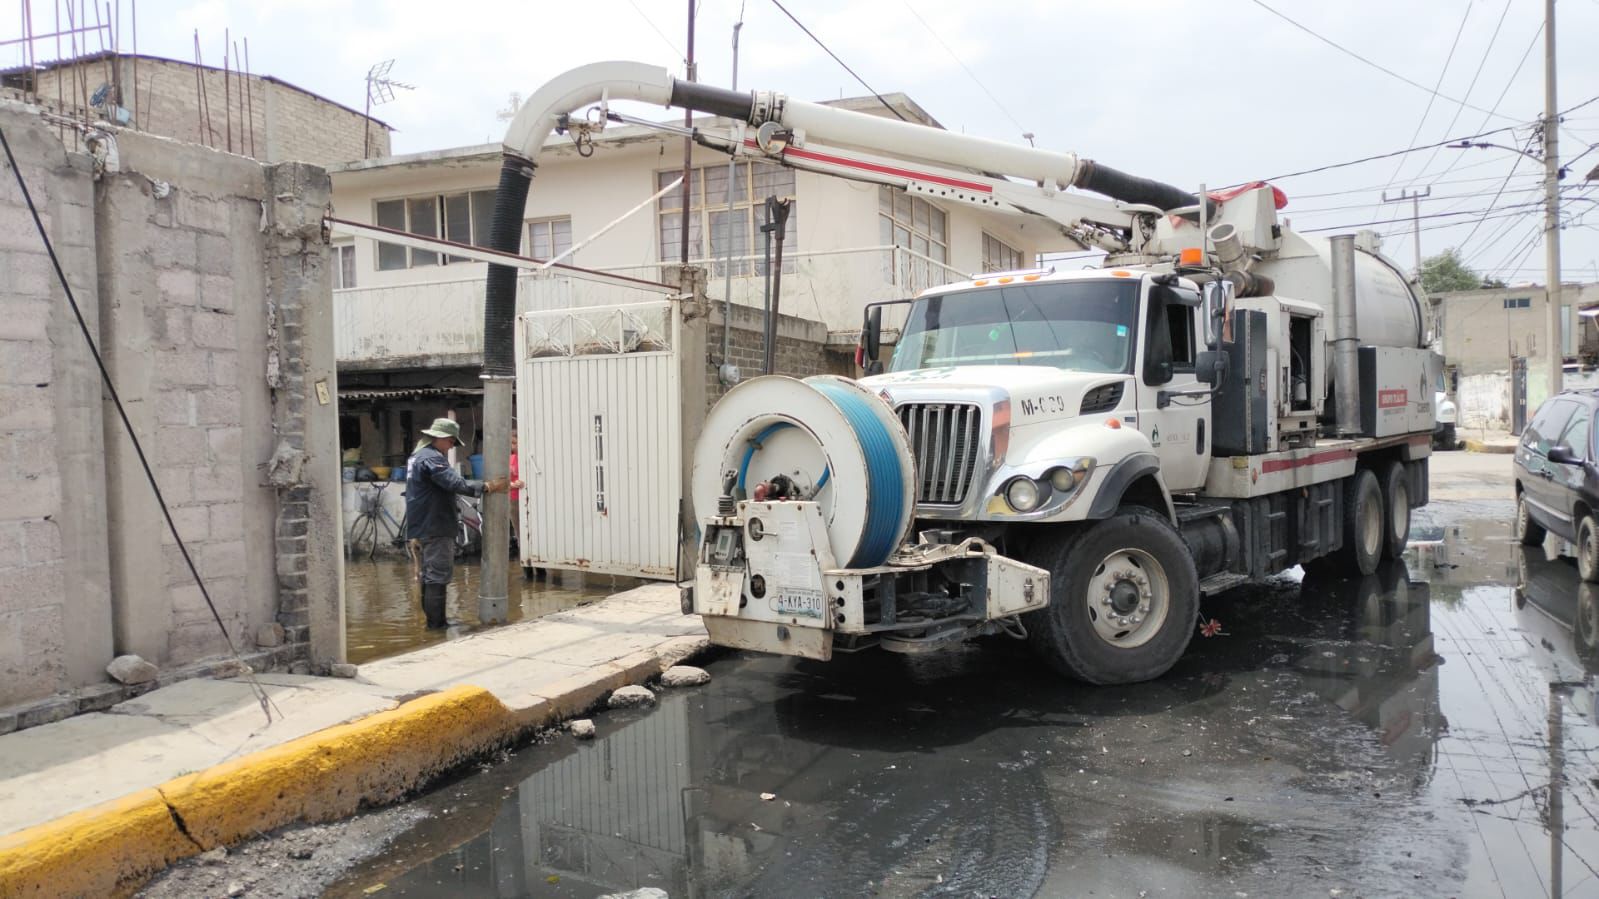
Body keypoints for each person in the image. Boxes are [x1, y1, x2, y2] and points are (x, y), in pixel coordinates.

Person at [405, 418, 509, 629]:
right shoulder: (432, 459)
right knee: (438, 574)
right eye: (452, 442)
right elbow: (454, 483)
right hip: (435, 522)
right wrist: (487, 486)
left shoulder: (417, 457)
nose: (452, 446)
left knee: (429, 574)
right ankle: (437, 626)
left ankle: (433, 624)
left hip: (423, 522)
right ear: (442, 438)